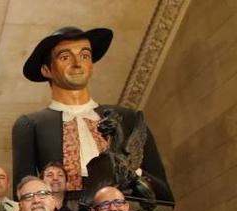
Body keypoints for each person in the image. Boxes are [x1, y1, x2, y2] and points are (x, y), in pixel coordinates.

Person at [12, 27, 172, 201]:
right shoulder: (31, 124)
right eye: (65, 57)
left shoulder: (127, 118)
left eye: (85, 56)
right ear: (46, 70)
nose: (77, 63)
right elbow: (24, 195)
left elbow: (163, 192)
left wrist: (132, 171)